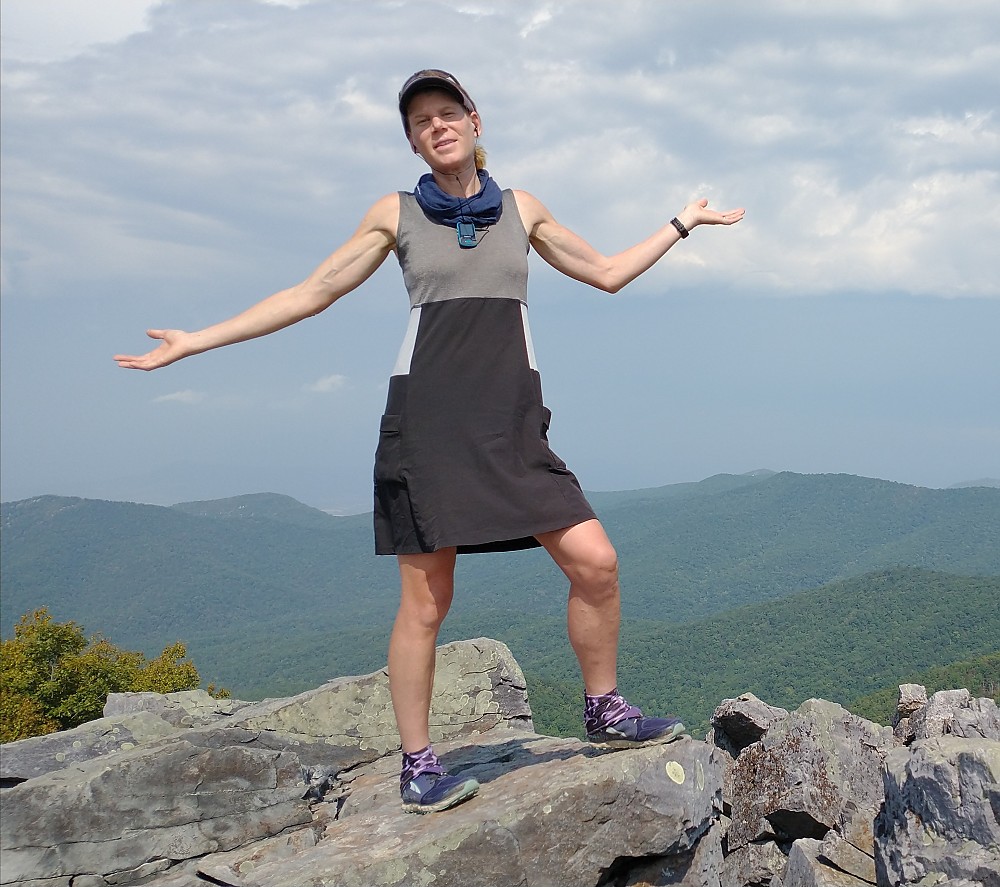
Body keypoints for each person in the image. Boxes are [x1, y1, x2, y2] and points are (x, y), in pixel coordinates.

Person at [115, 69, 745, 814]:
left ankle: (603, 707)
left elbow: (605, 272)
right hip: (430, 425)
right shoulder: (397, 214)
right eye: (421, 121)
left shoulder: (522, 209)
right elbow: (310, 292)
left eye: (449, 113)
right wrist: (196, 342)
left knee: (596, 563)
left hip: (512, 421)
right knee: (426, 599)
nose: (437, 125)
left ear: (476, 122)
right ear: (413, 139)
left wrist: (680, 223)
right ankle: (418, 763)